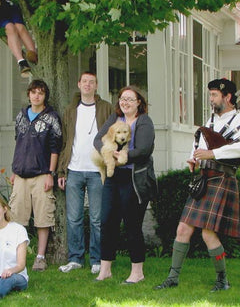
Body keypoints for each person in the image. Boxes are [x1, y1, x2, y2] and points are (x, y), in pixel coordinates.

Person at [155, 78, 240, 292]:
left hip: (221, 178)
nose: (211, 99)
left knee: (208, 233)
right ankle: (173, 277)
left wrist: (213, 153)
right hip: (204, 177)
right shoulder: (210, 121)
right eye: (209, 95)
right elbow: (199, 143)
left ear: (227, 97)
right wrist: (194, 158)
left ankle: (222, 280)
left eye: (214, 95)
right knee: (182, 228)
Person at [94, 86, 157, 283]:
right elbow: (98, 140)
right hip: (113, 176)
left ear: (139, 102)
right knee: (106, 222)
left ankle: (137, 272)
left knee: (132, 224)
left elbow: (145, 149)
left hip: (134, 178)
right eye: (122, 99)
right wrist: (109, 152)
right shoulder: (115, 119)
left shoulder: (144, 121)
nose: (125, 102)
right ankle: (105, 269)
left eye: (130, 99)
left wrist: (125, 154)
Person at [57, 72, 113, 274]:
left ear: (96, 85)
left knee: (97, 219)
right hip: (73, 170)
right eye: (84, 82)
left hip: (97, 171)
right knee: (74, 218)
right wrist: (61, 171)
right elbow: (64, 142)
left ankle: (97, 260)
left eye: (92, 82)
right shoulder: (71, 110)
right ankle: (76, 259)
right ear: (79, 84)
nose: (88, 85)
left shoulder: (106, 108)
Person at [9, 79, 62, 271]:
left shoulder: (52, 118)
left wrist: (51, 173)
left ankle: (40, 257)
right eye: (33, 92)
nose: (36, 96)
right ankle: (18, 256)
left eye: (40, 93)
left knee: (43, 217)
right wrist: (14, 170)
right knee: (17, 218)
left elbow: (55, 148)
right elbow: (18, 144)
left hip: (41, 174)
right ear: (29, 94)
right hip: (21, 174)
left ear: (45, 95)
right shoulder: (21, 116)